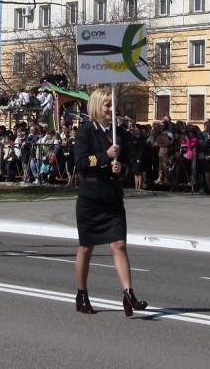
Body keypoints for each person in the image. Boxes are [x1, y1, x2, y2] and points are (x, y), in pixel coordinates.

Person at [73, 87, 147, 316]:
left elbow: (126, 164)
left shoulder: (120, 133)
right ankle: (82, 294)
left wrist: (120, 167)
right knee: (86, 247)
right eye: (107, 105)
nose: (112, 110)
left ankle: (128, 293)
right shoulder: (85, 131)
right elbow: (81, 163)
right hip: (91, 198)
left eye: (114, 105)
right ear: (97, 106)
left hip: (112, 197)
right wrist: (106, 157)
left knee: (119, 245)